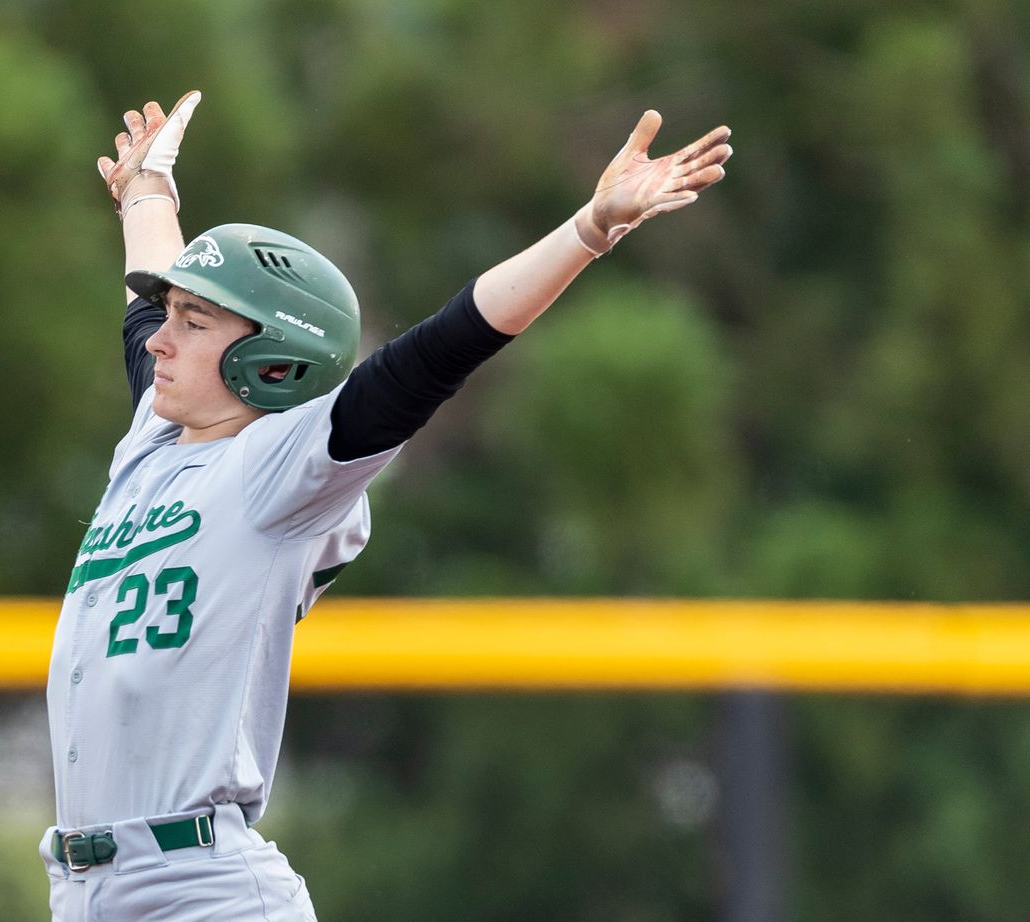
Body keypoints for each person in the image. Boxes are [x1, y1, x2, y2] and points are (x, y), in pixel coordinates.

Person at [39, 90, 731, 921]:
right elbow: (140, 316)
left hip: (198, 892)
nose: (161, 337)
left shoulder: (281, 470)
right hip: (85, 890)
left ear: (274, 357)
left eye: (195, 321)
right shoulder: (151, 442)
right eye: (171, 316)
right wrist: (148, 190)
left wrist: (587, 232)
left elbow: (435, 352)